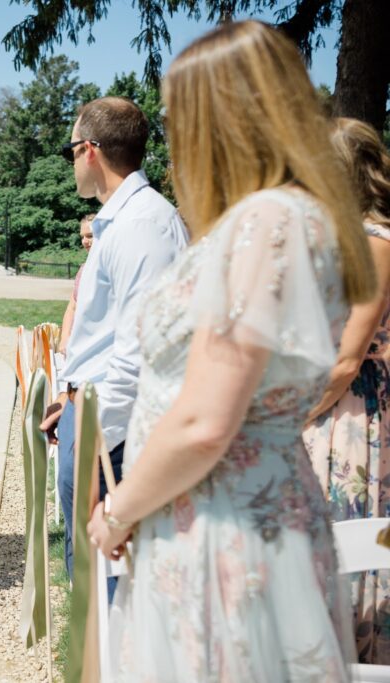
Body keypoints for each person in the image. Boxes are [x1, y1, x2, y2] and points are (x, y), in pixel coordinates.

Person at [85, 20, 374, 680]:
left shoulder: (268, 220)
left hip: (226, 523)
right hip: (209, 511)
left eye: (178, 113)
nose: (173, 134)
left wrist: (118, 509)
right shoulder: (269, 218)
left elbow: (205, 418)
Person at [40, 96, 187, 582]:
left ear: (89, 151)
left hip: (115, 428)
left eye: (69, 152)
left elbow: (140, 350)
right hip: (93, 407)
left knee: (108, 584)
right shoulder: (121, 221)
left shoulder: (142, 226)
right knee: (88, 579)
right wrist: (72, 396)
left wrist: (97, 432)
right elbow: (103, 333)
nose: (71, 165)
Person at [303, 117, 390, 664]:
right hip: (324, 404)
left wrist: (288, 418)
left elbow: (347, 358)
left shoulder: (378, 243)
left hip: (351, 411)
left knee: (347, 532)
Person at [59, 213, 96, 353]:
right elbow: (72, 308)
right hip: (75, 347)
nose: (84, 242)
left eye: (90, 235)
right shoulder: (83, 269)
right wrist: (65, 338)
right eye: (82, 237)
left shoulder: (112, 270)